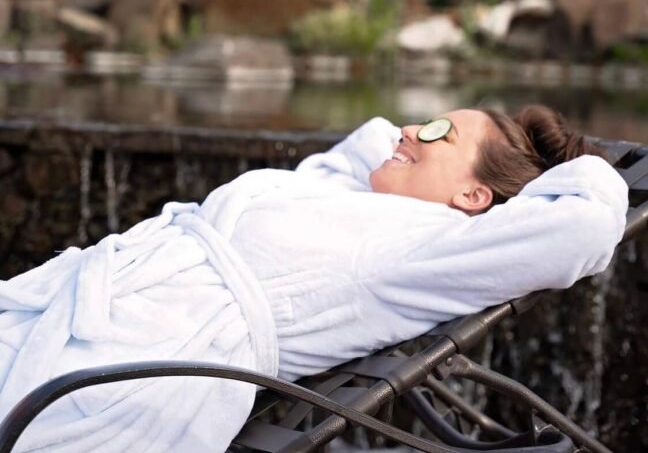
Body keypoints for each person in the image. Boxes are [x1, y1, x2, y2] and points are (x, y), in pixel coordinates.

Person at [0, 105, 628, 453]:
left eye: (442, 132)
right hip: (90, 305)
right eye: (424, 119)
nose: (412, 129)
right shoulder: (350, 193)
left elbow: (588, 221)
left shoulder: (431, 251)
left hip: (137, 363)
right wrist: (422, 147)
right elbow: (372, 138)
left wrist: (567, 162)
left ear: (472, 193)